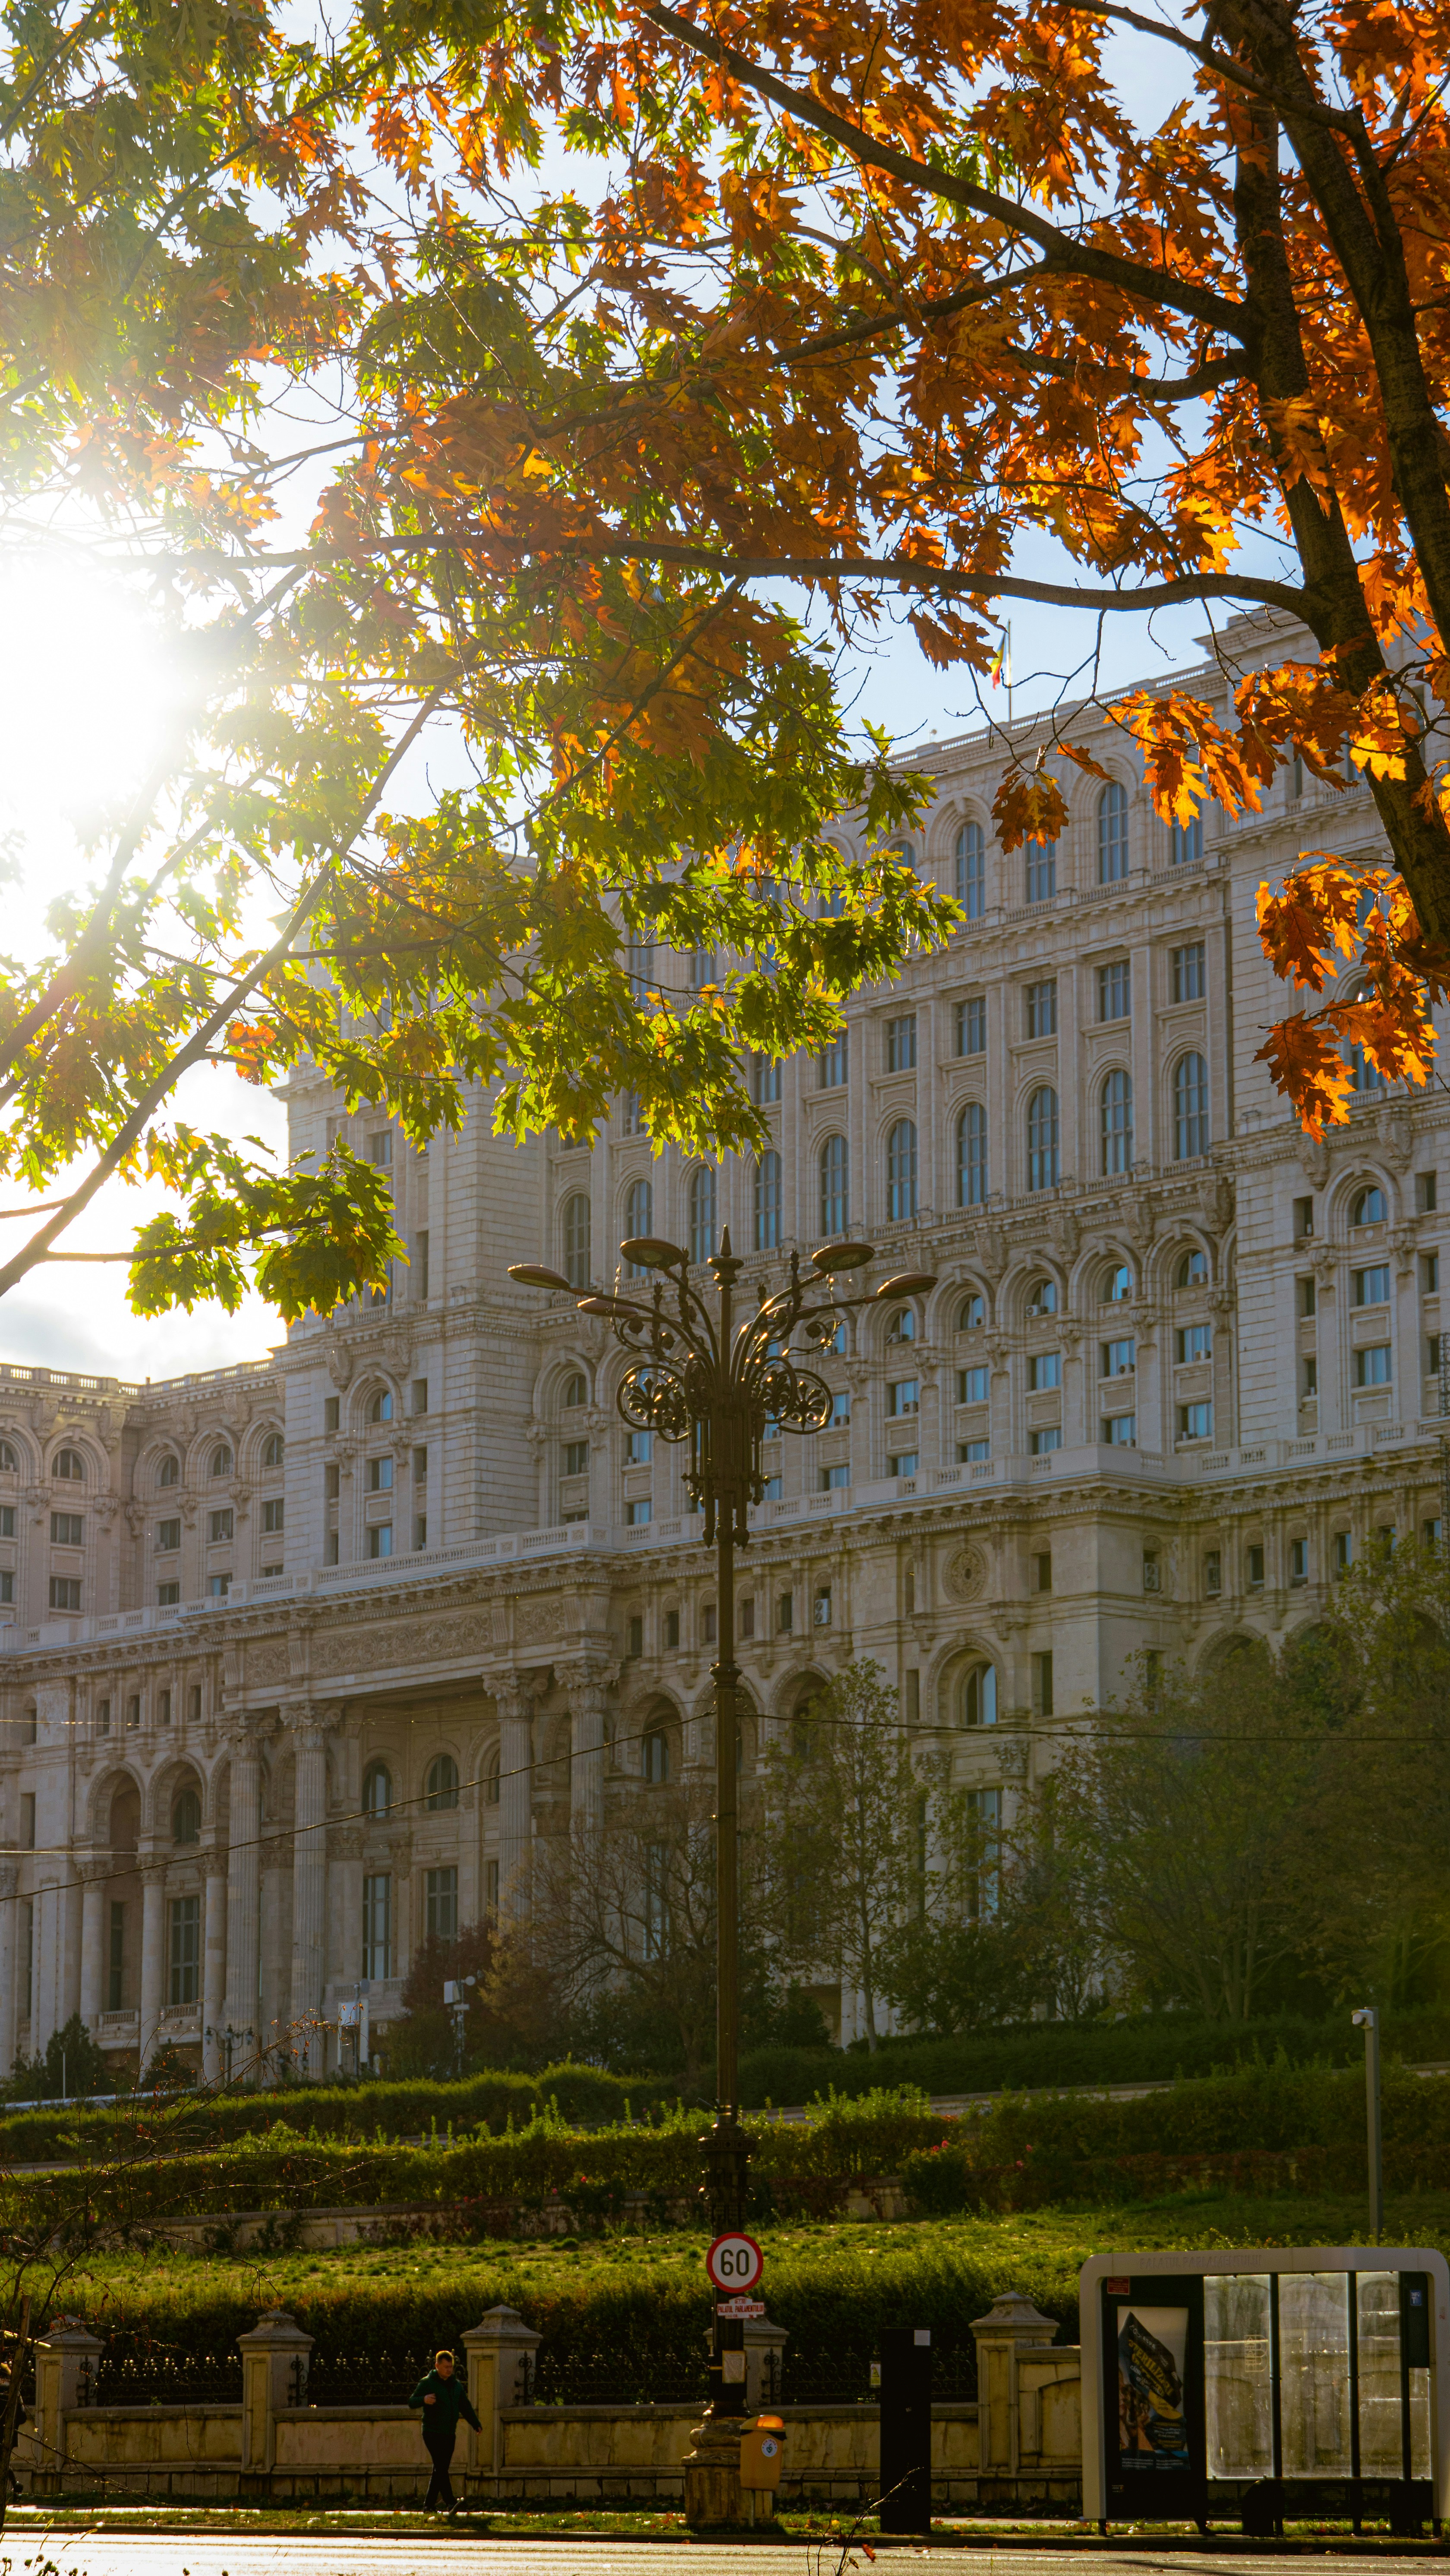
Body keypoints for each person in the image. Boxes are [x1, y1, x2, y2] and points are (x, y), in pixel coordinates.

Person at [409, 2347, 482, 2515]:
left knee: (440, 2469)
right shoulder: (428, 2383)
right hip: (432, 2432)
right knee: (441, 2468)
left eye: (451, 2367)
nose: (449, 2370)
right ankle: (451, 2502)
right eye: (446, 2367)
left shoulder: (456, 2386)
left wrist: (475, 2423)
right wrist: (424, 2399)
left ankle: (429, 2506)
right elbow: (412, 2402)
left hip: (449, 2433)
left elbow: (465, 2405)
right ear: (437, 2366)